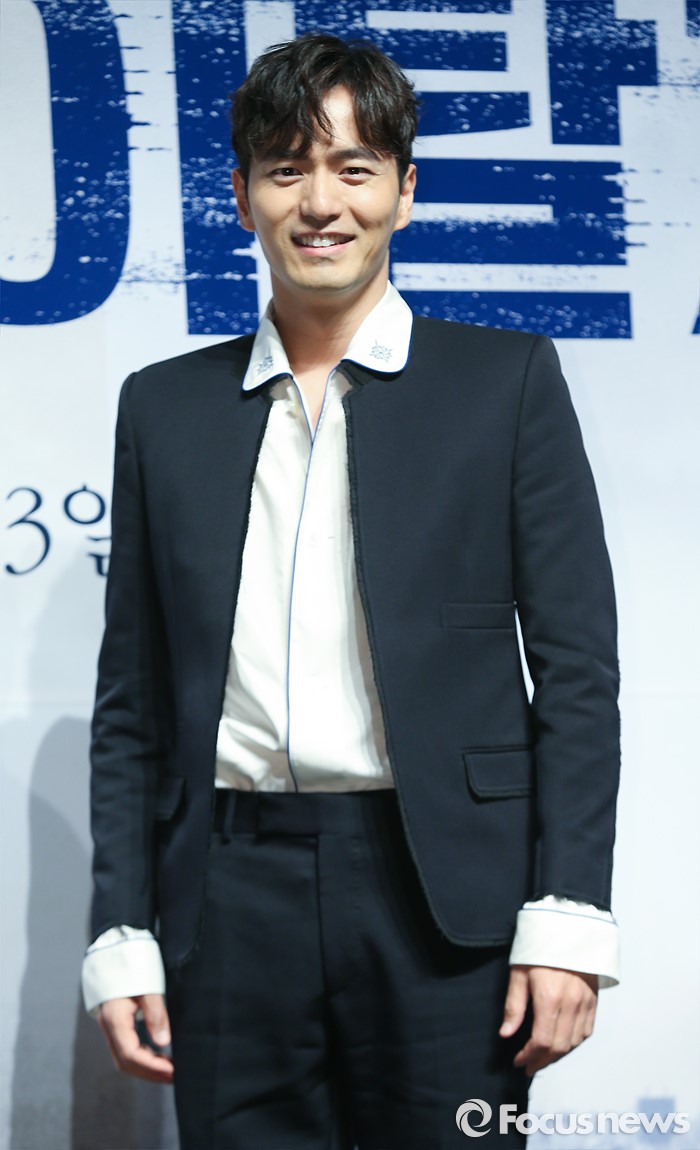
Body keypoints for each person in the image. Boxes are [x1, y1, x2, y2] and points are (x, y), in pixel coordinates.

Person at [83, 33, 621, 1149]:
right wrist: (121, 927)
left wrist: (568, 914)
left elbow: (577, 674)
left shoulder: (506, 382)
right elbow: (131, 701)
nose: (320, 203)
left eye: (353, 168)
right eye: (286, 169)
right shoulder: (162, 407)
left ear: (403, 192)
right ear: (242, 197)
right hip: (226, 896)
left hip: (443, 897)